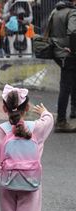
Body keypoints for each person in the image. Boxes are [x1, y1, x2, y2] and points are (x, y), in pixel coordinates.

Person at [48, 0, 76, 132]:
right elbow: (73, 31)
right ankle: (61, 121)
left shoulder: (54, 11)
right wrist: (73, 49)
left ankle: (73, 112)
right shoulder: (72, 12)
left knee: (72, 81)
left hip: (57, 52)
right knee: (65, 86)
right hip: (68, 54)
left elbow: (47, 32)